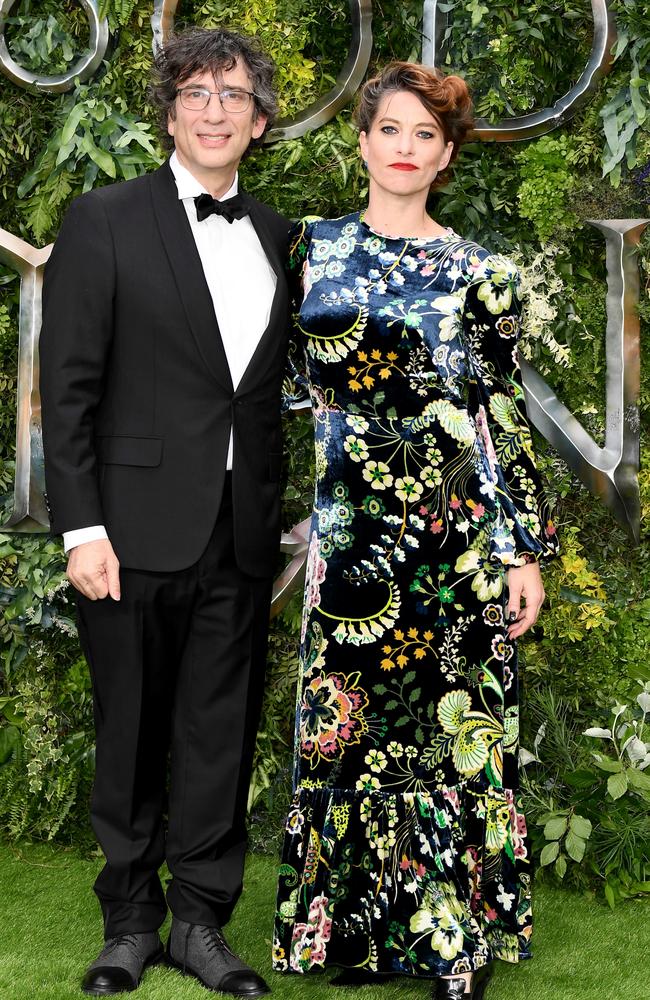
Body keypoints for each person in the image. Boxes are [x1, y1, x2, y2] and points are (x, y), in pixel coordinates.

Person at [273, 62, 559, 999]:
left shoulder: (483, 274)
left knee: (445, 736)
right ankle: (354, 933)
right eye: (389, 129)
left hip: (453, 546)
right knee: (348, 737)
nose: (404, 148)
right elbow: (277, 388)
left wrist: (522, 551)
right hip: (349, 537)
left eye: (423, 136)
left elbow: (501, 415)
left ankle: (453, 946)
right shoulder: (307, 250)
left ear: (445, 156)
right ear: (361, 141)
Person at [39, 27, 290, 998]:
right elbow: (66, 390)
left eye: (232, 95)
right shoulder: (102, 218)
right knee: (131, 730)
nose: (214, 109)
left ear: (258, 120)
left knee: (216, 735)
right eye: (195, 93)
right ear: (171, 111)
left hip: (238, 532)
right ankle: (129, 922)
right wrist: (80, 526)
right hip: (127, 532)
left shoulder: (277, 235)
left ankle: (199, 922)